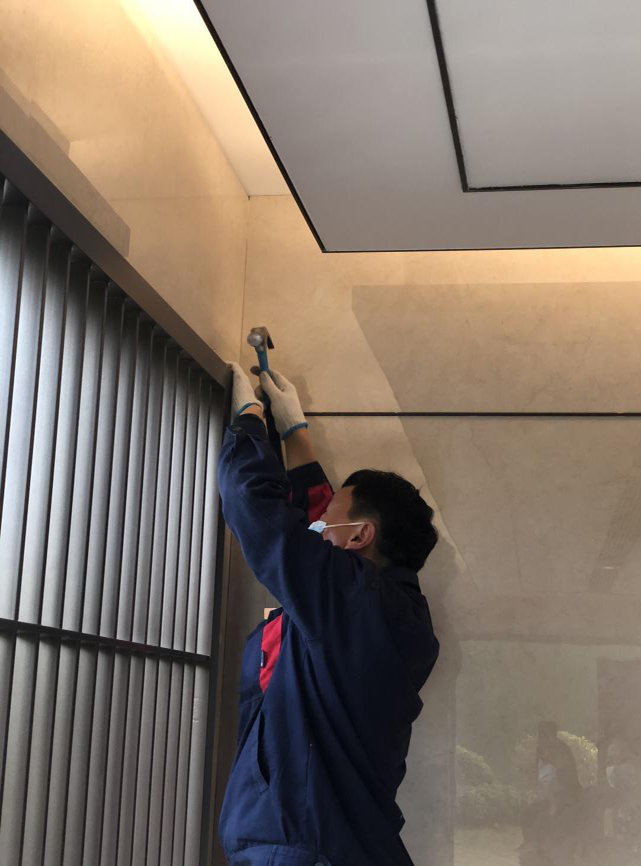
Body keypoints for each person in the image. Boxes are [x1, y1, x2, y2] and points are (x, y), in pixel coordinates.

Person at [217, 364, 440, 866]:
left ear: (361, 536)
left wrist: (248, 421)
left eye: (326, 520)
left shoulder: (348, 597)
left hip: (301, 850)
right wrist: (296, 437)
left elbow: (255, 509)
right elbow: (322, 544)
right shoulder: (391, 611)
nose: (315, 525)